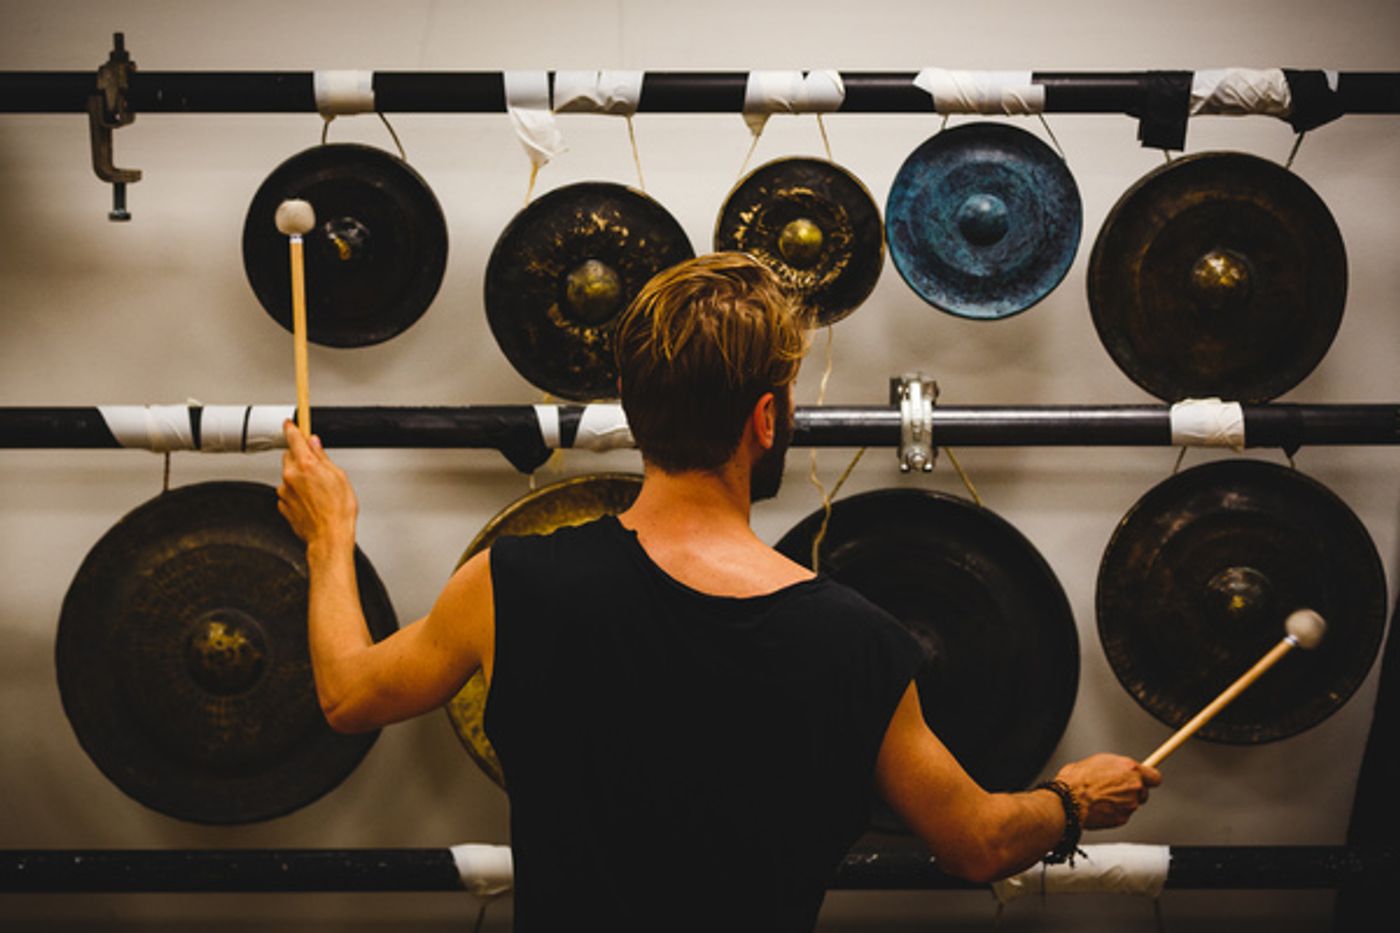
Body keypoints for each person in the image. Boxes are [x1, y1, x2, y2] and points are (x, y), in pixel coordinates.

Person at [278, 252, 1160, 930]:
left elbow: (348, 693)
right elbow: (979, 844)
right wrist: (1077, 796)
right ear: (766, 419)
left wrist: (330, 535)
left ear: (629, 399)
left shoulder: (510, 584)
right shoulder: (860, 642)